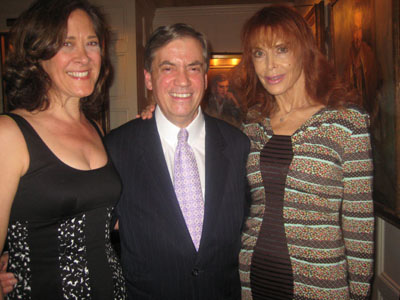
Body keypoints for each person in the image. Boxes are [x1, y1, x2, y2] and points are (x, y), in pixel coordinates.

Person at [232, 5, 374, 300]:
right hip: (253, 275)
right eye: (259, 53)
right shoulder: (252, 123)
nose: (269, 66)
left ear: (303, 52)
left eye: (281, 49)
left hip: (320, 283)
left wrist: (359, 293)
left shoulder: (346, 123)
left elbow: (358, 223)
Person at [105, 23, 250, 300]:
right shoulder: (116, 149)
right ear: (148, 78)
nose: (183, 81)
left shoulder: (238, 146)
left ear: (205, 78)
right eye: (168, 68)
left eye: (193, 68)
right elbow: (88, 233)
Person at [0, 0, 126, 299]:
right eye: (67, 44)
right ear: (37, 55)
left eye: (91, 43)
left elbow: (103, 216)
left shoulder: (94, 128)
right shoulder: (10, 133)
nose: (83, 57)